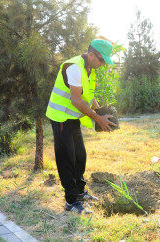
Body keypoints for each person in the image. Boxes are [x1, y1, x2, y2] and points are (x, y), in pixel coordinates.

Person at [46, 39, 117, 214]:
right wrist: (98, 119)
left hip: (73, 118)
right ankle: (71, 201)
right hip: (61, 117)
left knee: (80, 156)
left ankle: (79, 192)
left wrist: (101, 112)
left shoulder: (90, 70)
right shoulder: (75, 67)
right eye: (101, 60)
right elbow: (76, 100)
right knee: (67, 159)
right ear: (91, 54)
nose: (102, 64)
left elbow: (88, 97)